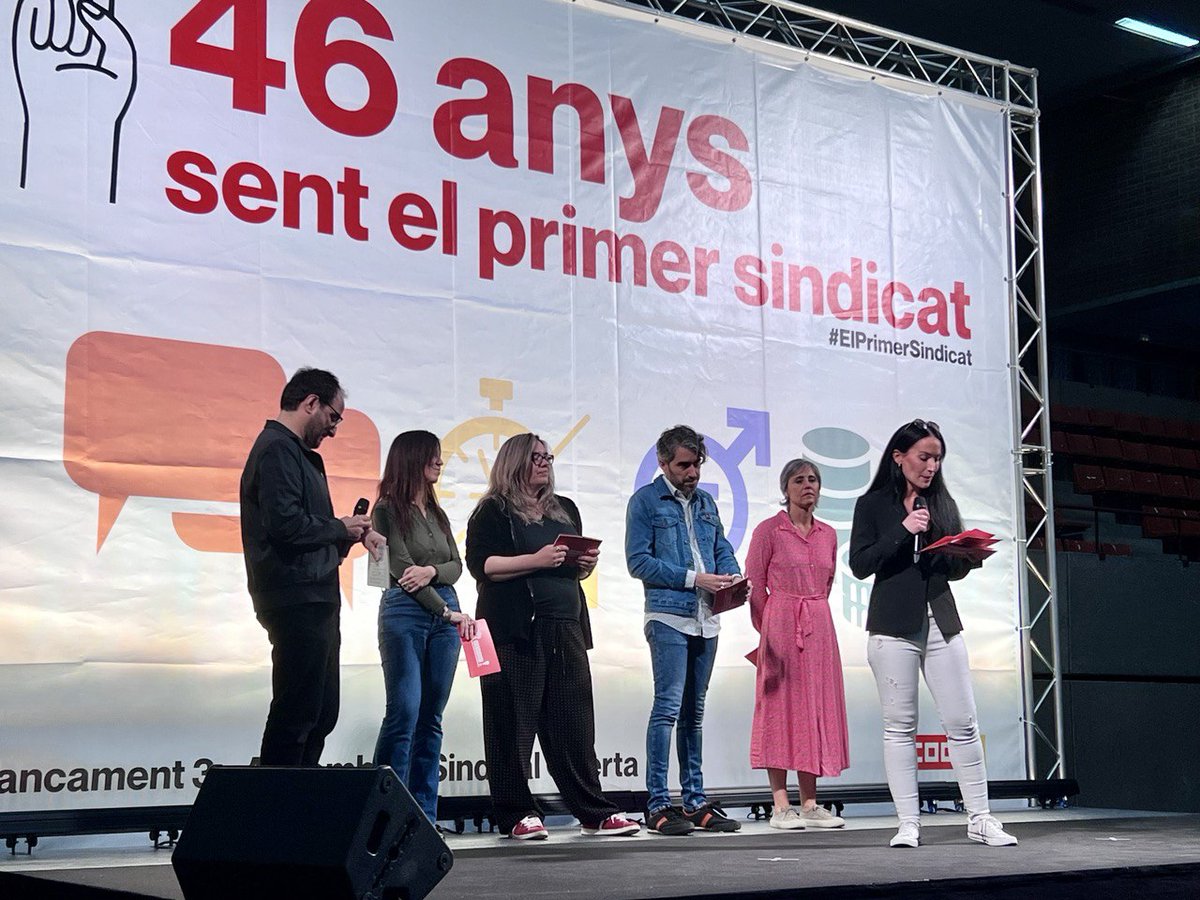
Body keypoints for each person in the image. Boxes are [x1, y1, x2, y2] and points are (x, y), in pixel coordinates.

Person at [849, 419, 1018, 848]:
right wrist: (903, 531)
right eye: (924, 457)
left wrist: (965, 554)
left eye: (937, 458)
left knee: (962, 722)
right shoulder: (872, 506)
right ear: (898, 456)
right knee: (900, 726)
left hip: (941, 620)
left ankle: (980, 818)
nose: (931, 466)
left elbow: (953, 569)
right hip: (893, 624)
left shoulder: (941, 501)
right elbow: (861, 563)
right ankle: (908, 822)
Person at [465, 433, 640, 840]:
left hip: (566, 626)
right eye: (535, 457)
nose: (544, 463)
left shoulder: (566, 509)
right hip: (514, 629)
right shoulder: (493, 510)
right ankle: (515, 813)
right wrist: (537, 560)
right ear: (514, 462)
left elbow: (570, 570)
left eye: (547, 456)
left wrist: (584, 564)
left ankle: (594, 811)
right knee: (511, 722)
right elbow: (482, 565)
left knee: (574, 724)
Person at [240, 368, 384, 766]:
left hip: (314, 594)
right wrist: (339, 527)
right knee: (298, 711)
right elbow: (284, 524)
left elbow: (301, 527)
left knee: (320, 712)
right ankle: (278, 811)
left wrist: (347, 534)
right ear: (310, 403)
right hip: (294, 596)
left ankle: (299, 804)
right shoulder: (277, 449)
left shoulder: (295, 454)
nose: (334, 429)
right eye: (334, 416)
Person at [626, 425, 742, 836]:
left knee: (694, 713)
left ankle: (694, 801)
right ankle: (657, 804)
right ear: (663, 463)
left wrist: (731, 574)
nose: (692, 472)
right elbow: (638, 562)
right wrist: (696, 579)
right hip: (668, 616)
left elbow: (721, 546)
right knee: (668, 708)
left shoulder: (706, 501)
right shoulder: (645, 501)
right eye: (684, 465)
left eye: (697, 464)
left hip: (707, 618)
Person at [372, 430, 475, 826]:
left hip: (446, 613)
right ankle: (385, 817)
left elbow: (456, 565)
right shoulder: (385, 509)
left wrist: (432, 571)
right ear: (413, 458)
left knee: (431, 718)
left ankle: (424, 819)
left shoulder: (437, 513)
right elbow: (399, 568)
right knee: (404, 712)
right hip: (406, 614)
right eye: (434, 455)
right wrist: (443, 609)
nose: (440, 462)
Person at [745, 458, 849, 831]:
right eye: (799, 480)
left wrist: (812, 617)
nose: (808, 486)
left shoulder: (828, 534)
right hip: (781, 622)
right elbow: (753, 585)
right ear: (785, 488)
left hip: (819, 626)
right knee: (779, 711)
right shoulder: (769, 531)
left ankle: (810, 804)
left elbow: (827, 583)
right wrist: (770, 628)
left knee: (814, 710)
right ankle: (780, 806)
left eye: (814, 480)